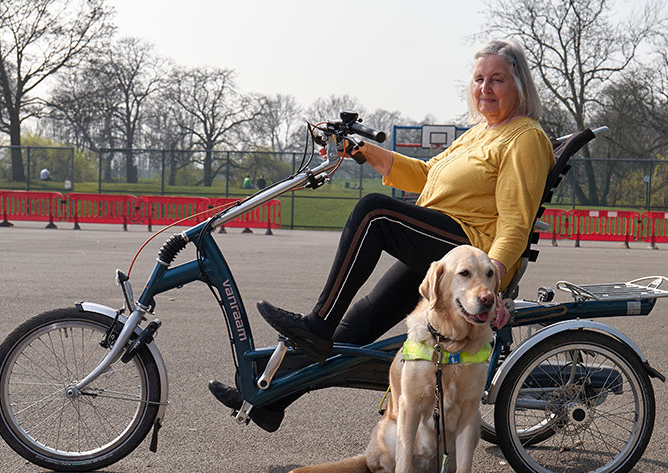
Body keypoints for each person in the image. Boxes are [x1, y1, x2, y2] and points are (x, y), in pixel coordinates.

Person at [209, 40, 554, 421]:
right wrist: (360, 150)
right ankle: (268, 401)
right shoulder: (478, 134)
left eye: (497, 80)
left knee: (375, 212)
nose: (485, 89)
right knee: (362, 320)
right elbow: (425, 175)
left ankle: (316, 325)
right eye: (479, 79)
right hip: (439, 250)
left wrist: (492, 282)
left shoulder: (524, 138)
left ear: (519, 86)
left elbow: (515, 224)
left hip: (470, 255)